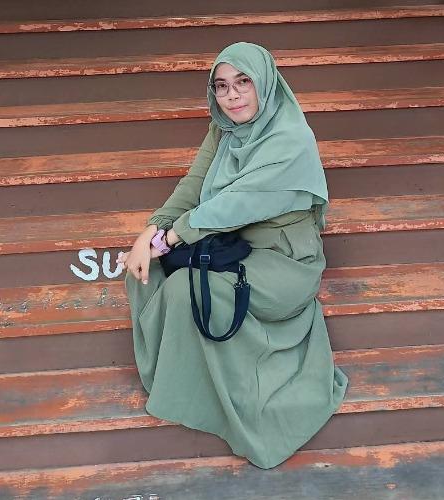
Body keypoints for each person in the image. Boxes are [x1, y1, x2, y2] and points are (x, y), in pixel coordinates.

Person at [118, 42, 349, 469]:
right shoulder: (222, 130)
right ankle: (185, 381)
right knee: (144, 272)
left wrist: (168, 239)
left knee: (189, 288)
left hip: (282, 260)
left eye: (244, 82)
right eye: (221, 86)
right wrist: (151, 230)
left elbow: (235, 205)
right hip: (233, 245)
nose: (233, 95)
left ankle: (219, 397)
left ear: (265, 83)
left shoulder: (291, 139)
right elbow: (193, 186)